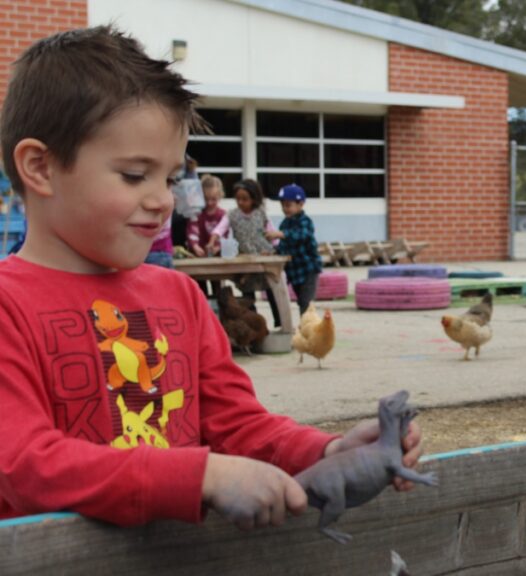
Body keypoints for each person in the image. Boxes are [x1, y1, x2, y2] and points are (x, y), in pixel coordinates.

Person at [0, 26, 424, 530]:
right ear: (40, 167)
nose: (163, 199)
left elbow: (236, 426)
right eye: (135, 175)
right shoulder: (8, 305)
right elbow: (24, 466)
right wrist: (198, 476)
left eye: (171, 177)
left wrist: (326, 450)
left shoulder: (178, 295)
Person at [212, 178, 282, 327]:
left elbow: (271, 231)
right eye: (238, 199)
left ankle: (279, 321)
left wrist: (276, 247)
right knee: (247, 294)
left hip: (263, 257)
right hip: (246, 260)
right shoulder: (232, 215)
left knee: (271, 291)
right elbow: (220, 228)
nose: (241, 202)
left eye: (245, 199)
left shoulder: (261, 214)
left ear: (254, 199)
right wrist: (213, 239)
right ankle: (254, 323)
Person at [266, 183, 322, 315]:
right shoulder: (285, 223)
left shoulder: (305, 221)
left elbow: (301, 235)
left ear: (300, 204)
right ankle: (301, 327)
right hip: (294, 272)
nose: (285, 209)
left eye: (288, 205)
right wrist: (273, 252)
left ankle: (308, 330)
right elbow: (284, 246)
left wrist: (281, 234)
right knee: (298, 301)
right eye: (282, 205)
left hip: (308, 270)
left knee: (306, 303)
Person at [187, 174, 227, 257]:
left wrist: (219, 247)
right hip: (198, 254)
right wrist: (195, 246)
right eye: (206, 199)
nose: (209, 202)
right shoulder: (196, 214)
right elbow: (192, 231)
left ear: (220, 196)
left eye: (213, 199)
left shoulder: (223, 215)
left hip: (218, 255)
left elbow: (225, 235)